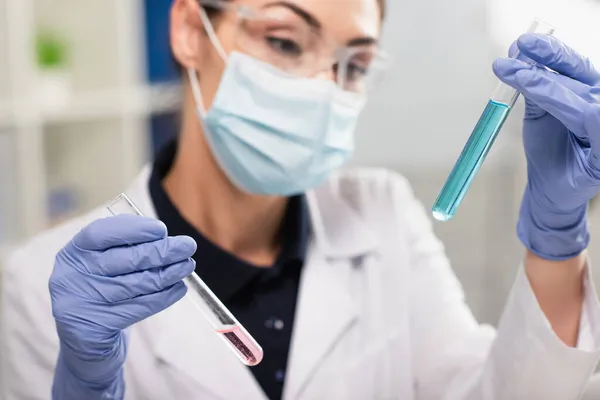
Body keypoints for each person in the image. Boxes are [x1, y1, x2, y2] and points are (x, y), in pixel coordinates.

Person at [2, 0, 600, 398]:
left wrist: (556, 236)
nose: (322, 85)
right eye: (286, 42)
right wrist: (81, 382)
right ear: (190, 31)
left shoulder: (383, 214)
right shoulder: (40, 285)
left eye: (355, 64)